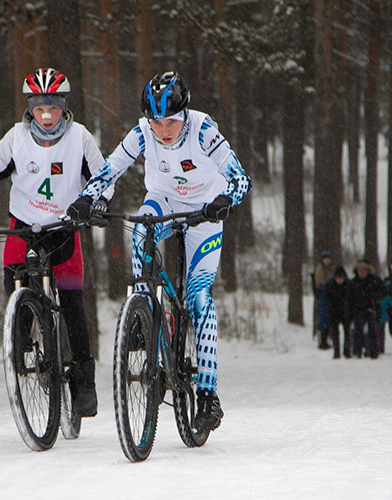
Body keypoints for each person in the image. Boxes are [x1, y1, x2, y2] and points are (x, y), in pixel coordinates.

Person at [67, 71, 250, 431]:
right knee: (139, 231)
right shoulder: (141, 133)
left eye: (171, 122)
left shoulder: (202, 130)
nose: (164, 131)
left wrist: (226, 199)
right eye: (156, 123)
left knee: (199, 298)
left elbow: (240, 178)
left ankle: (208, 395)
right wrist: (86, 199)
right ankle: (145, 315)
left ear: (185, 114)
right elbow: (109, 170)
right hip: (164, 202)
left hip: (205, 213)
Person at [0, 68, 111, 418]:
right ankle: (22, 338)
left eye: (52, 107)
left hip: (64, 227)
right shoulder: (16, 138)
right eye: (39, 108)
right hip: (24, 225)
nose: (46, 116)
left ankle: (84, 378)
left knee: (73, 300)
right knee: (14, 280)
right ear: (29, 108)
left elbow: (104, 178)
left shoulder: (79, 137)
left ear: (63, 106)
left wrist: (97, 204)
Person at [348, 259, 384, 359]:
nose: (362, 272)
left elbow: (382, 293)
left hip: (371, 309)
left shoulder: (374, 280)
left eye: (364, 270)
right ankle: (357, 352)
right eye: (360, 269)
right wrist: (350, 311)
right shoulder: (353, 282)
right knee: (357, 331)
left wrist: (376, 299)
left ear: (368, 270)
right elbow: (349, 298)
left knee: (372, 331)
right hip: (357, 310)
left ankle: (373, 352)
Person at [325, 266, 350, 359]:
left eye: (341, 278)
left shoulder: (348, 285)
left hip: (345, 312)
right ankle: (336, 352)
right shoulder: (330, 285)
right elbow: (328, 298)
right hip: (334, 312)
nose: (339, 280)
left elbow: (350, 299)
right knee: (335, 333)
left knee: (347, 332)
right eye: (337, 278)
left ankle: (346, 351)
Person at [313, 251, 335, 349]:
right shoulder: (320, 268)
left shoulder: (330, 269)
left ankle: (326, 339)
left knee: (327, 318)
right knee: (323, 318)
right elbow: (320, 283)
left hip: (329, 295)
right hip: (323, 294)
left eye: (328, 258)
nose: (327, 260)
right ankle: (321, 341)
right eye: (325, 259)